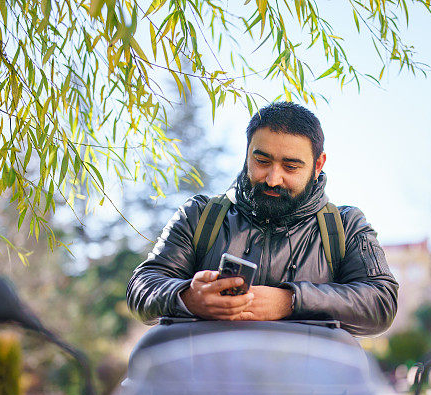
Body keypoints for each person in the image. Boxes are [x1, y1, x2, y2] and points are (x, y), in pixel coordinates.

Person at [126, 102, 398, 336]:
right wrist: (188, 297)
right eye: (262, 161)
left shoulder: (346, 225)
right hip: (208, 391)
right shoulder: (198, 215)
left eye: (290, 166)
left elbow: (381, 302)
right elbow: (142, 285)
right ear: (247, 155)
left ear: (318, 165)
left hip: (308, 394)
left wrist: (290, 301)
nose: (272, 178)